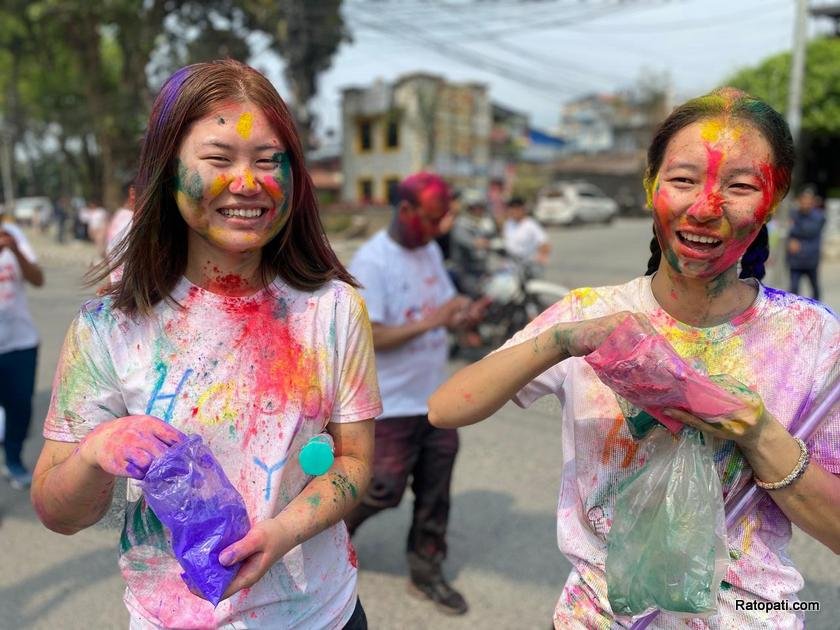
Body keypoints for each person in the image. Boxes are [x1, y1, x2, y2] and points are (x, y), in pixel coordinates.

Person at [429, 87, 839, 628]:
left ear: (774, 197)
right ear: (651, 186)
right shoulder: (592, 314)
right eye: (683, 179)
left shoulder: (809, 335)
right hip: (600, 616)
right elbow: (445, 408)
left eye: (739, 187)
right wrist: (563, 340)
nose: (705, 208)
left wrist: (758, 432)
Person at [30, 59, 381, 629]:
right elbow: (56, 509)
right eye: (219, 159)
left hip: (323, 615)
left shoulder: (334, 309)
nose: (248, 183)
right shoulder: (108, 327)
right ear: (167, 174)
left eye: (269, 161)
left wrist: (283, 531)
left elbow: (355, 459)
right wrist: (98, 450)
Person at [344, 172, 478, 616]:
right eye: (434, 218)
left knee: (435, 493)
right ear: (405, 211)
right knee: (381, 488)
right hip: (390, 404)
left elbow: (443, 306)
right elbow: (372, 336)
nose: (440, 228)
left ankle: (427, 573)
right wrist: (433, 322)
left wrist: (463, 316)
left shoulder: (429, 252)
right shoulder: (373, 262)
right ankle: (322, 537)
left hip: (436, 401)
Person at [0, 209, 44, 489]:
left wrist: (14, 250)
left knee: (19, 408)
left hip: (20, 342)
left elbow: (38, 279)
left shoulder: (13, 236)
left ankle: (13, 461)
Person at [449, 189, 496, 298]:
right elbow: (473, 243)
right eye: (474, 208)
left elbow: (493, 236)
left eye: (480, 207)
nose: (478, 211)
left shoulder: (482, 223)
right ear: (467, 208)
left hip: (481, 269)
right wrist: (490, 243)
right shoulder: (460, 225)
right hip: (465, 272)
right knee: (476, 298)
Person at [786, 186, 826, 301]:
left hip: (811, 259)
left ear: (813, 202)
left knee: (815, 288)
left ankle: (818, 310)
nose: (805, 204)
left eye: (808, 201)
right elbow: (786, 229)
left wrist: (794, 229)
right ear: (799, 201)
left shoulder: (819, 217)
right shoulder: (793, 214)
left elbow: (810, 231)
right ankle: (793, 313)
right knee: (793, 289)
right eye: (803, 200)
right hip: (795, 260)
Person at [502, 195, 551, 269]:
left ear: (522, 209)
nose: (513, 211)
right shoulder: (508, 223)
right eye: (511, 208)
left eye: (517, 208)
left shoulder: (531, 225)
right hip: (510, 266)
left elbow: (545, 243)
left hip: (526, 266)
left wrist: (542, 256)